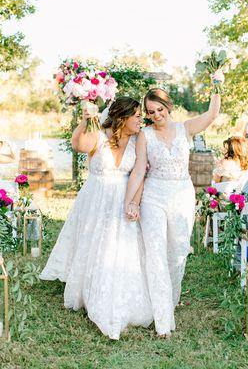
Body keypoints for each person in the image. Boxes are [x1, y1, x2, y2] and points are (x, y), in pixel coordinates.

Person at [40, 97, 153, 340]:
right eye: (136, 115)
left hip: (123, 198)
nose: (140, 119)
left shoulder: (138, 140)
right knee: (92, 244)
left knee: (120, 247)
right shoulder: (99, 134)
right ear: (122, 117)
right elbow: (79, 145)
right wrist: (85, 120)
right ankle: (86, 287)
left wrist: (133, 202)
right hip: (96, 198)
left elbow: (140, 173)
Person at [125, 80, 222, 337]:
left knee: (177, 253)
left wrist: (216, 85)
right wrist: (131, 201)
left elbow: (212, 114)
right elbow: (138, 170)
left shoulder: (185, 129)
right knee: (155, 253)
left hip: (181, 195)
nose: (156, 115)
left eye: (160, 109)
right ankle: (162, 320)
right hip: (154, 195)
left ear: (169, 107)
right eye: (151, 111)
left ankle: (171, 300)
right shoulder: (145, 135)